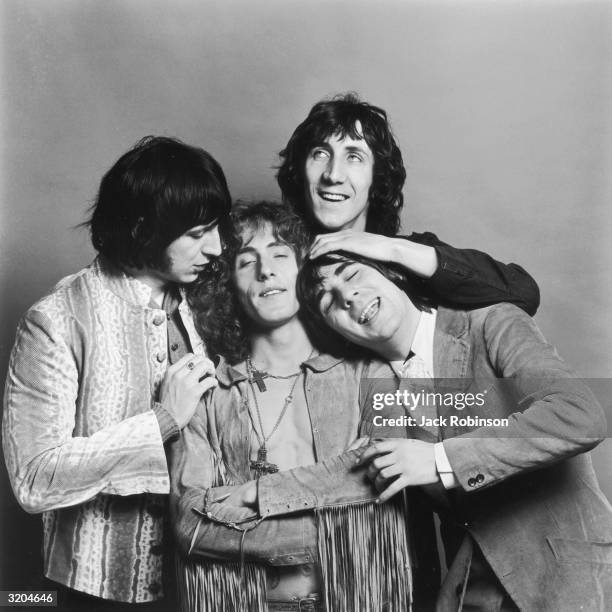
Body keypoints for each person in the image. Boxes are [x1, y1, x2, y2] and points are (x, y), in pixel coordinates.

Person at [250, 251, 612, 611]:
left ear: (392, 274)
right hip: (470, 593)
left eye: (352, 274)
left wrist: (441, 460)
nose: (347, 295)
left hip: (573, 583)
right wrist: (252, 497)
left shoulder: (491, 323)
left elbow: (578, 414)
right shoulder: (376, 389)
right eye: (328, 301)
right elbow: (354, 475)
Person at [2, 136, 230, 608]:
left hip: (206, 579)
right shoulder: (58, 319)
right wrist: (163, 421)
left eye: (217, 228)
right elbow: (34, 476)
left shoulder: (209, 302)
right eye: (196, 233)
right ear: (144, 228)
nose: (216, 248)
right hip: (97, 588)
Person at [171, 201, 414, 611]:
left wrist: (249, 501)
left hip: (358, 599)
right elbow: (190, 523)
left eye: (281, 255)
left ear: (305, 269)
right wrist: (339, 517)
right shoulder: (207, 392)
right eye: (247, 262)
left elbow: (384, 475)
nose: (266, 270)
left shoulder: (367, 371)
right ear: (227, 284)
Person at [277, 92, 541, 316]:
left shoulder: (408, 258)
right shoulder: (272, 263)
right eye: (320, 154)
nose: (333, 175)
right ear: (301, 171)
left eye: (354, 157)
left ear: (376, 179)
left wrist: (394, 250)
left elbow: (523, 293)